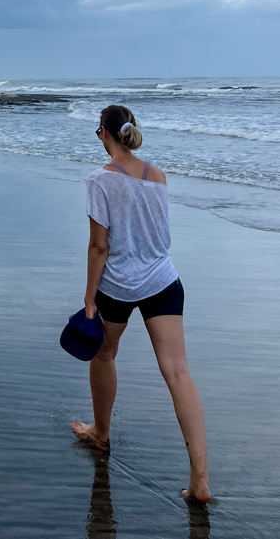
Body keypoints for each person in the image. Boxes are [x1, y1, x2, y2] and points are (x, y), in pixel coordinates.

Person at [71, 104, 211, 504]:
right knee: (178, 373)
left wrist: (88, 299)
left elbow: (100, 245)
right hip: (164, 281)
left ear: (103, 134)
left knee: (104, 354)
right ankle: (200, 480)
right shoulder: (158, 176)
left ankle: (101, 432)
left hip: (118, 285)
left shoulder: (100, 179)